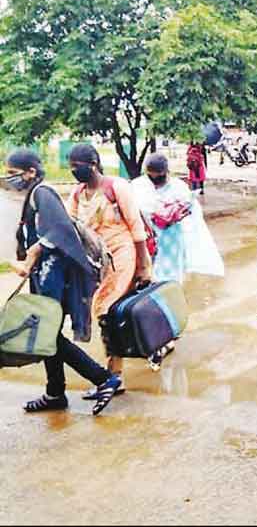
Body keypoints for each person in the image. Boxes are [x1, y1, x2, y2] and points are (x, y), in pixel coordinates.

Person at [4, 149, 122, 415]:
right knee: (48, 336)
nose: (9, 179)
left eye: (13, 174)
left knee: (48, 336)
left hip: (53, 278)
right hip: (45, 276)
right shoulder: (34, 194)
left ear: (31, 172)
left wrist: (34, 251)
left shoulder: (42, 193)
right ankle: (55, 392)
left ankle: (104, 379)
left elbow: (60, 230)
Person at [65, 144, 151, 399]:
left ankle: (113, 376)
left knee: (106, 310)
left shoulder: (117, 187)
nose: (73, 171)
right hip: (97, 261)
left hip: (122, 254)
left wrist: (143, 265)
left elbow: (136, 227)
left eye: (76, 166)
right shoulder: (78, 193)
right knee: (112, 312)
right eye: (70, 166)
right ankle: (123, 367)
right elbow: (70, 226)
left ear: (93, 164)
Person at [131, 152, 224, 285]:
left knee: (171, 279)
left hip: (171, 241)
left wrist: (174, 214)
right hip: (147, 241)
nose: (155, 181)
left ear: (166, 172)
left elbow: (192, 215)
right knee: (149, 277)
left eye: (158, 177)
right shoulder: (138, 186)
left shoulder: (178, 187)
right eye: (151, 177)